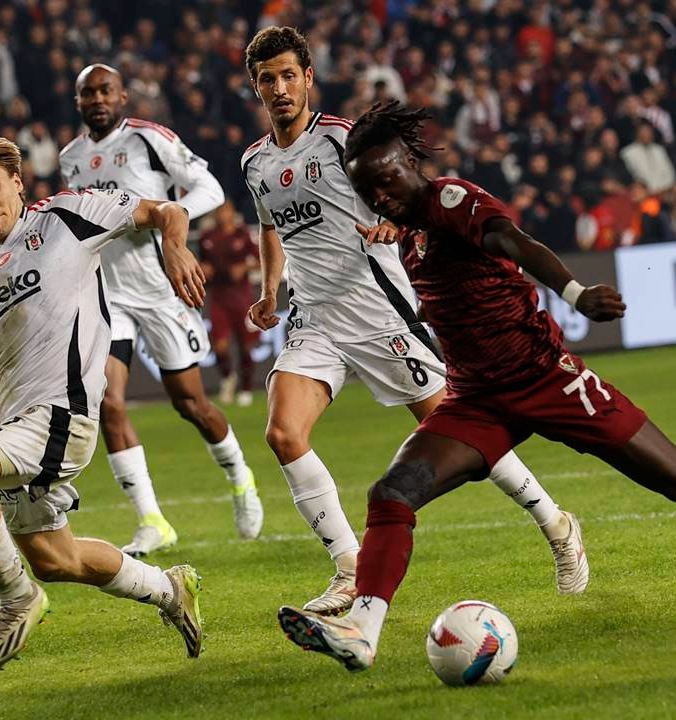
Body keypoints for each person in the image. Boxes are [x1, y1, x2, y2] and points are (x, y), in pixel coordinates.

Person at [277, 101, 676, 672]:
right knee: (391, 493)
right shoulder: (408, 229)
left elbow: (513, 240)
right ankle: (362, 630)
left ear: (410, 160)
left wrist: (576, 293)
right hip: (477, 400)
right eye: (368, 191)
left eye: (386, 180)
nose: (380, 197)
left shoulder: (452, 201)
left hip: (546, 378)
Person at [242, 27, 587, 617]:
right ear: (256, 87)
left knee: (462, 431)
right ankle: (348, 568)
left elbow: (411, 197)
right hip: (314, 318)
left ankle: (556, 523)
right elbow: (270, 226)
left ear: (308, 78)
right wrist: (269, 288)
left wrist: (393, 225)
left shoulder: (341, 141)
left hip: (380, 312)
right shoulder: (255, 162)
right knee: (282, 433)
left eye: (288, 75)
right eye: (267, 79)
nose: (280, 88)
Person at [0, 128, 204, 671]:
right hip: (15, 432)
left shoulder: (66, 217)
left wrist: (173, 248)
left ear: (17, 182)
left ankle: (15, 598)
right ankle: (169, 589)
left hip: (62, 415)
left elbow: (166, 211)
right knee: (56, 560)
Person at [59, 64, 262, 558]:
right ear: (78, 101)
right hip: (109, 296)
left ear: (122, 96)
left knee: (191, 405)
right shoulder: (70, 158)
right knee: (108, 404)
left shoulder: (150, 139)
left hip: (160, 291)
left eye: (106, 90)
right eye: (89, 93)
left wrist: (171, 222)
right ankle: (152, 521)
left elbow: (210, 189)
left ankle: (241, 477)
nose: (98, 99)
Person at [199, 200, 260, 406]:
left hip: (241, 296)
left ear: (233, 213)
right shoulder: (208, 237)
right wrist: (203, 269)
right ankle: (227, 377)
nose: (223, 215)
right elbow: (201, 262)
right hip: (218, 296)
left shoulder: (244, 234)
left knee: (245, 345)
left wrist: (244, 267)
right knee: (220, 346)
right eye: (220, 211)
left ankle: (246, 388)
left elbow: (261, 260)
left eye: (226, 211)